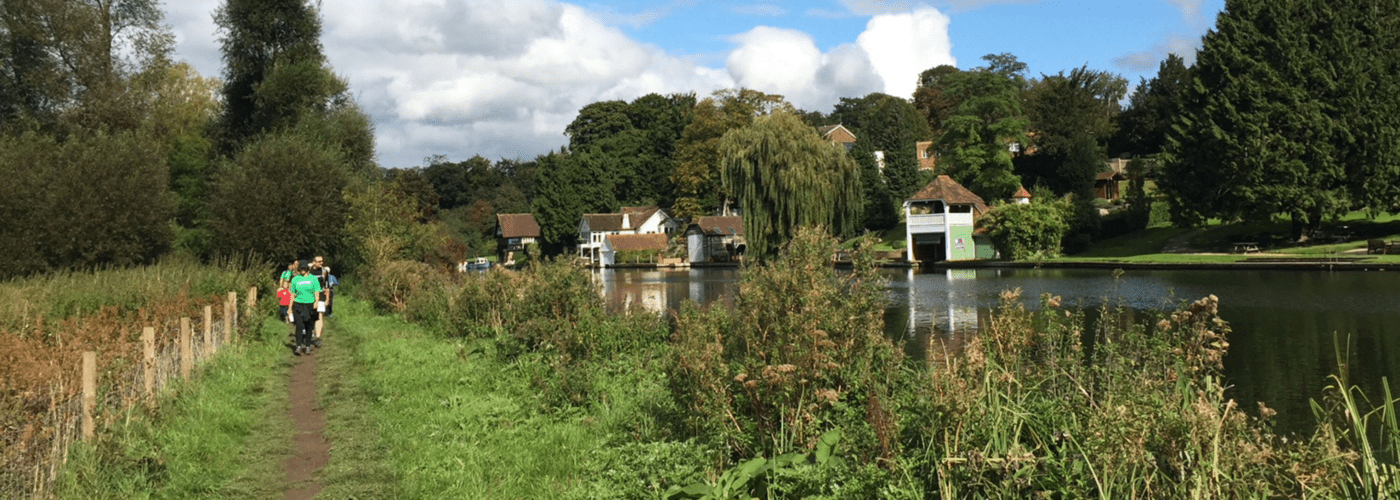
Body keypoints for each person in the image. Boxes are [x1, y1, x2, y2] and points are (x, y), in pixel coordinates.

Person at [288, 262, 322, 355]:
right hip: (298, 304)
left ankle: (307, 346)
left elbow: (317, 292)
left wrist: (316, 301)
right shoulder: (295, 279)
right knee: (299, 325)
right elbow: (292, 294)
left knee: (309, 326)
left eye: (304, 269)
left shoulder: (313, 279)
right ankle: (298, 346)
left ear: (307, 269)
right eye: (301, 269)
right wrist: (290, 307)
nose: (303, 271)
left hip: (310, 305)